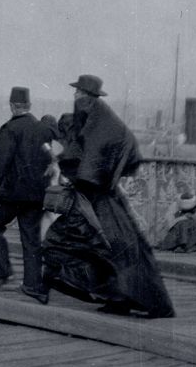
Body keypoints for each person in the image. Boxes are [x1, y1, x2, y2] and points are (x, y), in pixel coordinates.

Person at [41, 74, 175, 318]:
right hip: (100, 197)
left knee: (100, 246)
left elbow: (90, 156)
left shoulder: (97, 120)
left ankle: (130, 299)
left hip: (99, 199)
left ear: (86, 96)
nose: (75, 96)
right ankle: (119, 299)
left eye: (78, 93)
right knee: (110, 248)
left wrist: (74, 167)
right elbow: (92, 152)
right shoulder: (99, 118)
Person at [0, 87, 53, 303]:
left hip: (13, 194)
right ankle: (31, 285)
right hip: (36, 194)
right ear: (29, 106)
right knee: (31, 239)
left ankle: (3, 271)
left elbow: (1, 160)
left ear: (12, 106)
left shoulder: (10, 129)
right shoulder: (42, 128)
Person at [159, 188, 196, 253]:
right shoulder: (175, 205)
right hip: (179, 228)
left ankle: (195, 245)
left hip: (194, 227)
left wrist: (192, 217)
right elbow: (169, 222)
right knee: (183, 224)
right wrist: (183, 217)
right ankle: (181, 246)